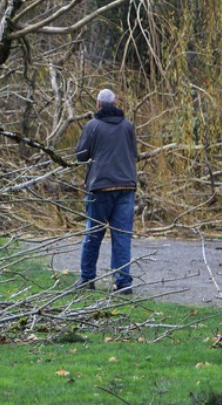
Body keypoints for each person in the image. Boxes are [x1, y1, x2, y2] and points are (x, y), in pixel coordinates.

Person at [75, 88, 138, 293]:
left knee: (93, 235)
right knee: (122, 236)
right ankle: (123, 282)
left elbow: (81, 155)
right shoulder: (128, 126)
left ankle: (87, 278)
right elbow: (133, 153)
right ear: (116, 103)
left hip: (100, 187)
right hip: (126, 186)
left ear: (98, 104)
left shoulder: (92, 126)